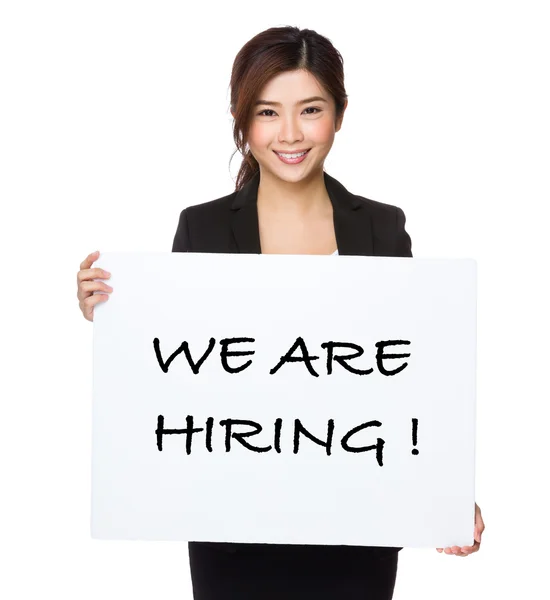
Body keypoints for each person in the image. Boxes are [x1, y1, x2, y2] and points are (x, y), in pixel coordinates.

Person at [77, 25, 485, 600]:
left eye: (310, 109)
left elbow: (409, 378)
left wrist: (444, 489)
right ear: (243, 121)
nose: (290, 134)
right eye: (268, 112)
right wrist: (116, 316)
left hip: (358, 525)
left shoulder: (382, 227)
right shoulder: (205, 227)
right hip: (232, 530)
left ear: (339, 115)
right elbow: (179, 371)